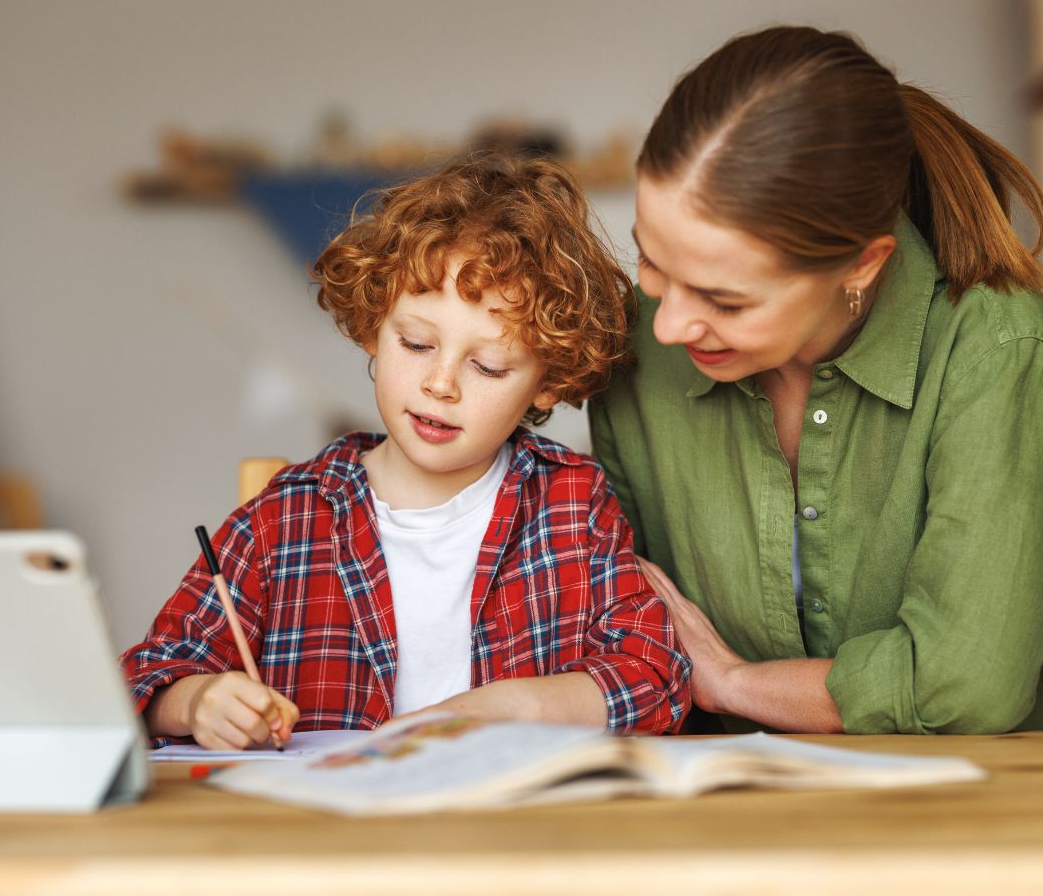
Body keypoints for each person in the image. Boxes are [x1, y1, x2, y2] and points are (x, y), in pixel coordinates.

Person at [589, 25, 1043, 735]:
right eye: (654, 263)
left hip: (1028, 778)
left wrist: (731, 683)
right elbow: (624, 623)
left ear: (862, 265)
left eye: (725, 300)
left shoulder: (990, 340)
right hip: (759, 792)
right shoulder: (638, 344)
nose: (668, 325)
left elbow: (967, 688)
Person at [121, 153, 690, 750]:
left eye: (489, 366)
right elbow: (146, 676)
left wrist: (516, 703)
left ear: (548, 381)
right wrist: (198, 703)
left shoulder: (570, 502)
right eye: (417, 343)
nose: (441, 384)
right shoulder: (287, 516)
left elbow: (654, 675)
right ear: (373, 327)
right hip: (333, 836)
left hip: (515, 832)